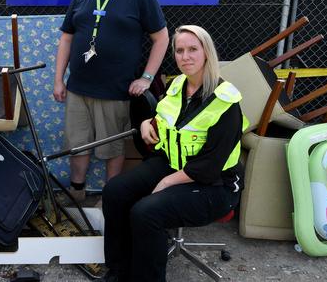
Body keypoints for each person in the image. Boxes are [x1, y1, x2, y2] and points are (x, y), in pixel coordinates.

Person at [98, 25, 246, 282]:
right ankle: (119, 270)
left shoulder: (226, 103)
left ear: (207, 53)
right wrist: (146, 123)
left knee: (146, 212)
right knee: (115, 191)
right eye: (179, 50)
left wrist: (166, 182)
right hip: (174, 164)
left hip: (215, 184)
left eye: (192, 50)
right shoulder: (177, 85)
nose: (185, 56)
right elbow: (165, 120)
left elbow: (209, 166)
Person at [53, 0, 169, 202]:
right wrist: (59, 79)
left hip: (115, 91)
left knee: (112, 147)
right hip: (78, 88)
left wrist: (147, 78)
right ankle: (77, 192)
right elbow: (66, 38)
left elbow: (161, 38)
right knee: (77, 145)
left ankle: (110, 197)